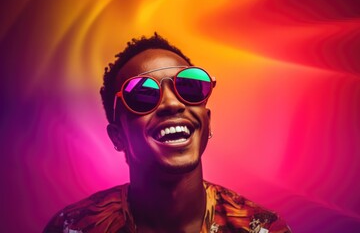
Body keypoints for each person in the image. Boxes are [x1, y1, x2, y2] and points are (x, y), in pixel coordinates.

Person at [44, 33, 291, 233]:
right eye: (143, 95)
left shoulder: (263, 229)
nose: (173, 104)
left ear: (207, 121)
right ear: (117, 136)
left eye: (189, 87)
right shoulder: (72, 228)